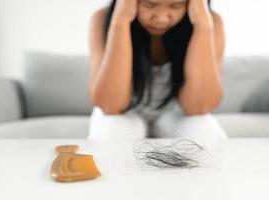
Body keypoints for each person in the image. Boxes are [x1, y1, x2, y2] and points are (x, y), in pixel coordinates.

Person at [87, 0, 228, 149]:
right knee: (111, 136)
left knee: (207, 137)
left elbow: (197, 108)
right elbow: (110, 106)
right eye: (149, 4)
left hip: (177, 111)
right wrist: (121, 21)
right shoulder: (102, 19)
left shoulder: (211, 21)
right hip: (124, 112)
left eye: (176, 6)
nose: (161, 18)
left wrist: (202, 25)